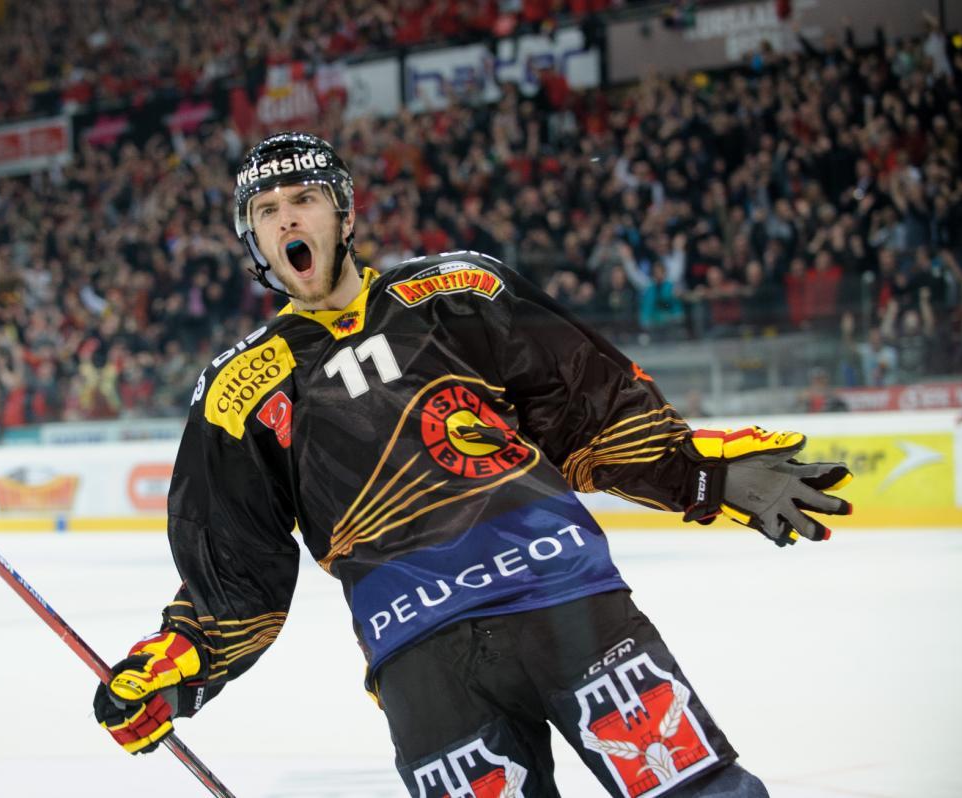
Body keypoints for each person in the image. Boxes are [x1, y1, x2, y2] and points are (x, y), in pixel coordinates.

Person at [93, 133, 854, 797]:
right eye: (267, 212)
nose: (288, 217)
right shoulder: (237, 391)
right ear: (254, 244)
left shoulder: (462, 289)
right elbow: (234, 579)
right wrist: (178, 669)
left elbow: (591, 413)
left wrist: (701, 474)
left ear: (346, 216)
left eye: (305, 198)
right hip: (421, 658)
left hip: (562, 596)